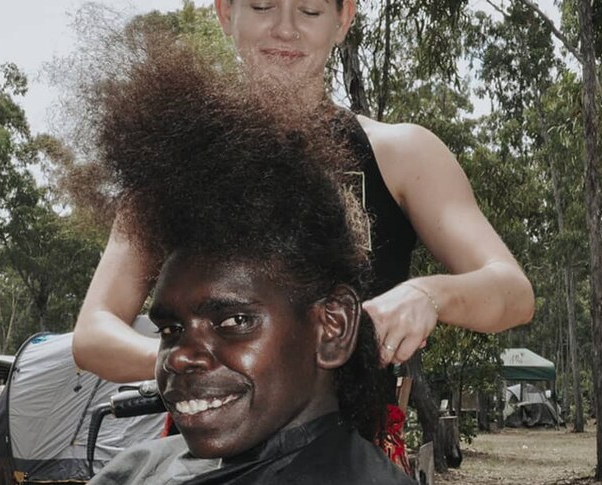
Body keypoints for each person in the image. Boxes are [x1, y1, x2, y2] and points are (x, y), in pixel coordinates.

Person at [73, 0, 534, 383]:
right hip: (205, 450)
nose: (285, 29)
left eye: (310, 10)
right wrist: (195, 359)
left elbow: (513, 292)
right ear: (225, 12)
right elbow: (93, 333)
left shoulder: (402, 154)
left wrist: (428, 295)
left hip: (354, 455)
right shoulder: (172, 161)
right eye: (262, 5)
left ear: (343, 19)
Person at [82, 42, 412, 483]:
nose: (178, 358)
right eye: (170, 330)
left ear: (332, 327)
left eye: (235, 320)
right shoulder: (136, 469)